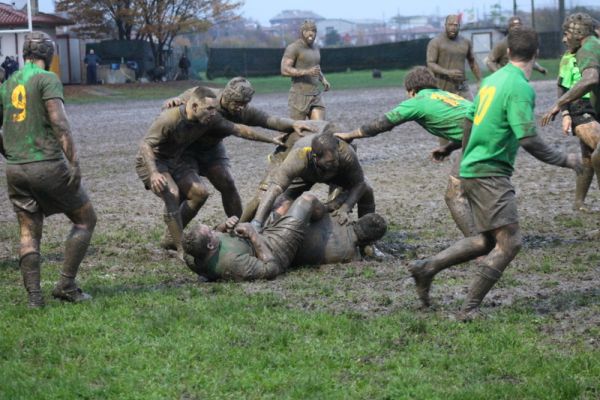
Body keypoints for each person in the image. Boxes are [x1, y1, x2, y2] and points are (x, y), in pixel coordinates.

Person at [407, 27, 581, 321]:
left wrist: (457, 151)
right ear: (536, 54)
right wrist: (567, 159)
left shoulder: (490, 80)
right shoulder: (520, 88)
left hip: (472, 168)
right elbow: (528, 139)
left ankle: (427, 267)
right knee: (510, 242)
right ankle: (469, 308)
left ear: (508, 52)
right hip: (490, 172)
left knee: (486, 241)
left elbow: (468, 119)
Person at [0, 32, 97, 307]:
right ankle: (66, 285)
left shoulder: (8, 84)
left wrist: (8, 151)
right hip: (47, 165)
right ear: (49, 54)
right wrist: (74, 161)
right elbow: (60, 123)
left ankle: (34, 298)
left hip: (16, 169)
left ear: (24, 54)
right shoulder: (47, 79)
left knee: (28, 230)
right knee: (85, 219)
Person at [160, 77, 313, 239]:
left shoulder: (241, 110)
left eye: (244, 104)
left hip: (211, 150)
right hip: (186, 151)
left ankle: (241, 228)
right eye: (238, 103)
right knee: (193, 193)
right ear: (226, 96)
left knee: (227, 183)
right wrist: (173, 101)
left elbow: (267, 119)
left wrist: (293, 123)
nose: (241, 108)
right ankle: (172, 235)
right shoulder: (206, 96)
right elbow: (176, 105)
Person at [135, 87, 278, 259]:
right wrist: (154, 173)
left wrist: (271, 139)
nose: (213, 113)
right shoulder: (170, 118)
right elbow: (145, 145)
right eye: (209, 109)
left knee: (200, 193)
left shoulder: (209, 119)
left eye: (214, 109)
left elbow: (239, 129)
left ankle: (171, 238)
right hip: (153, 163)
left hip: (176, 161)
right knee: (172, 193)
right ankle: (181, 249)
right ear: (194, 107)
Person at [335, 66, 476, 237]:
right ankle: (490, 233)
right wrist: (448, 148)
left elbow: (382, 123)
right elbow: (468, 124)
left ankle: (476, 242)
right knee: (480, 189)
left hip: (478, 143)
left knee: (454, 196)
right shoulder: (447, 95)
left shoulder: (417, 101)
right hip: (492, 136)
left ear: (412, 91)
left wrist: (350, 135)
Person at [250, 132, 375, 231]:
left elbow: (360, 183)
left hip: (337, 177)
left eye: (336, 159)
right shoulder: (299, 157)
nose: (335, 164)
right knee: (276, 201)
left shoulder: (346, 155)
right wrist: (257, 222)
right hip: (305, 174)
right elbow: (275, 187)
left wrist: (346, 208)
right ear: (316, 157)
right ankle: (249, 224)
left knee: (367, 191)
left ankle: (368, 243)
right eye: (330, 162)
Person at [183, 193, 321, 281]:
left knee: (281, 201)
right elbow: (272, 269)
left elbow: (211, 237)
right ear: (210, 245)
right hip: (275, 248)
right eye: (211, 233)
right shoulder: (233, 263)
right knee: (307, 200)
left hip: (261, 235)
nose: (215, 231)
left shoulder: (192, 254)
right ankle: (328, 212)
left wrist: (223, 226)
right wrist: (253, 235)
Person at [541, 13, 600, 195]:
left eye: (566, 34)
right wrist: (566, 111)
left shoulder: (586, 49)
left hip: (583, 107)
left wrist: (559, 104)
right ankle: (579, 202)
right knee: (589, 155)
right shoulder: (587, 48)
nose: (564, 39)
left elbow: (590, 78)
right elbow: (562, 85)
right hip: (583, 109)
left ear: (578, 34)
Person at [556, 32, 600, 211]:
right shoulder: (569, 57)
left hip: (596, 105)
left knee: (588, 157)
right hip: (579, 106)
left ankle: (578, 202)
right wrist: (565, 113)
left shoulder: (594, 51)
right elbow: (561, 87)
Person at [290, 209, 387, 268]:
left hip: (285, 233)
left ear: (358, 220)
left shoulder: (338, 215)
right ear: (370, 242)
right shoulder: (352, 257)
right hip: (289, 259)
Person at [281, 19, 331, 120]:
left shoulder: (316, 48)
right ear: (302, 32)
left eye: (314, 30)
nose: (311, 33)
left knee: (319, 128)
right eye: (307, 30)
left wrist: (323, 79)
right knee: (296, 130)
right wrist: (307, 72)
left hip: (315, 95)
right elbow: (284, 70)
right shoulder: (294, 48)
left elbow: (316, 67)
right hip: (299, 96)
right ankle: (281, 136)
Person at [427, 14, 481, 101]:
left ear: (459, 26)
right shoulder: (435, 42)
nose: (453, 27)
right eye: (450, 24)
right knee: (445, 112)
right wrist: (447, 72)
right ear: (445, 25)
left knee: (471, 109)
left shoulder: (465, 42)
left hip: (462, 86)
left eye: (455, 25)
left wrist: (480, 80)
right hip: (442, 87)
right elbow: (430, 63)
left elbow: (472, 62)